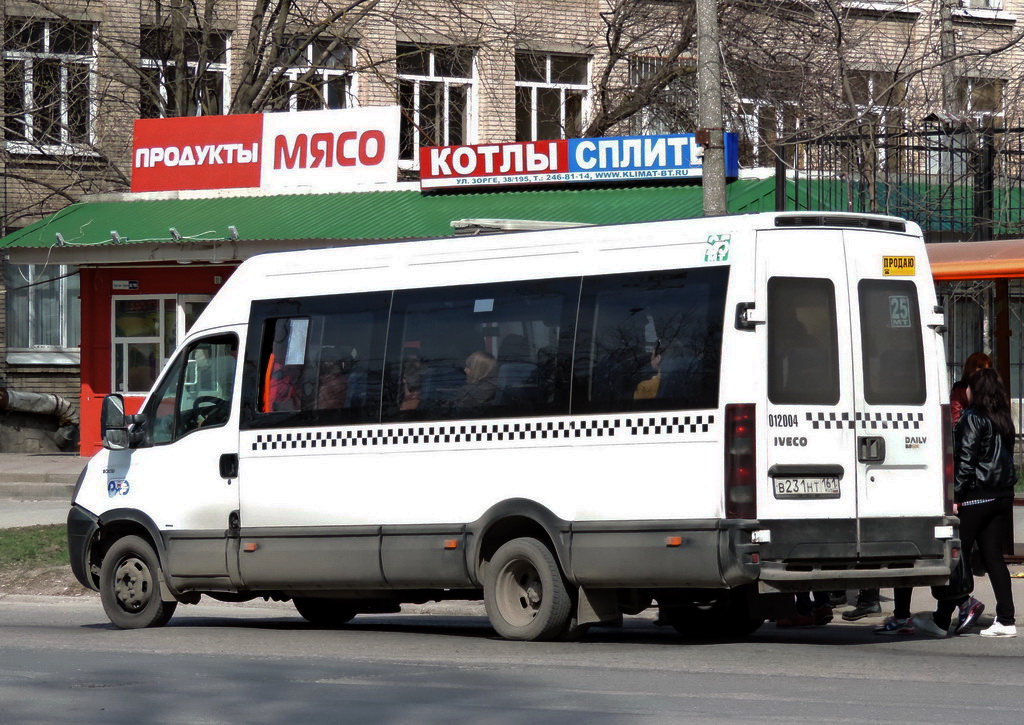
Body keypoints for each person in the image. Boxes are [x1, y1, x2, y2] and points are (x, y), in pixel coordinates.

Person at [913, 368, 1017, 638]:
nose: (965, 391)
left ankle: (947, 616)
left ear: (976, 390)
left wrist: (955, 496)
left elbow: (966, 460)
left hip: (976, 496)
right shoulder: (1004, 418)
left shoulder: (973, 418)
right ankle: (1006, 619)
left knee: (955, 559)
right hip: (1002, 495)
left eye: (968, 386)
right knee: (994, 557)